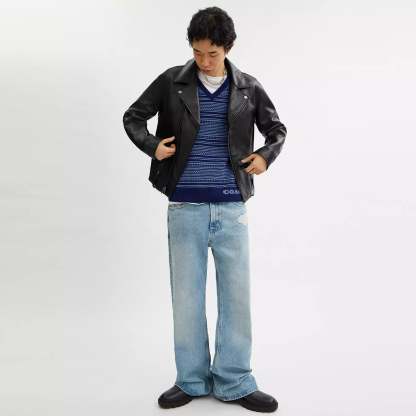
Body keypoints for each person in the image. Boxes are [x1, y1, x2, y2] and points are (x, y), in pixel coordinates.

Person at [123, 6, 287, 413]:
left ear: (228, 47)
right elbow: (133, 117)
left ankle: (235, 380)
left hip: (232, 209)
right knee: (187, 300)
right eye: (197, 52)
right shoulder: (172, 82)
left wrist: (265, 156)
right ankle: (192, 380)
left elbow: (276, 130)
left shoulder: (248, 87)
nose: (203, 61)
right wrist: (153, 146)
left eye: (212, 53)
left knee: (236, 299)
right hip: (185, 207)